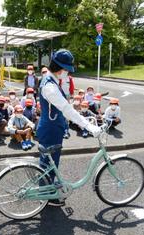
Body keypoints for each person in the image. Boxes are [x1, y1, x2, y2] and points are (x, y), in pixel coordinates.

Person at [37, 49, 100, 206]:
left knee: (50, 163)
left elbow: (64, 106)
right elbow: (66, 109)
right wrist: (88, 126)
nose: (67, 74)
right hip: (51, 129)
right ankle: (46, 197)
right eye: (67, 70)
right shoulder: (50, 86)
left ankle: (47, 191)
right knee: (48, 165)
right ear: (60, 68)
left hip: (52, 127)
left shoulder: (50, 80)